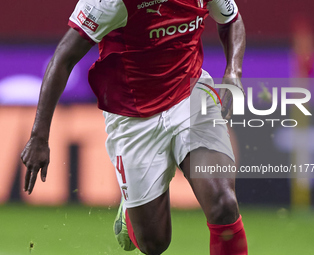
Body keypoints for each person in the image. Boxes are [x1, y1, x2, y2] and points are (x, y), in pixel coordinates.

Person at [21, 0, 247, 254]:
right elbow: (63, 59)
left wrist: (233, 71)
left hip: (190, 94)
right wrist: (39, 136)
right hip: (133, 114)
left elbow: (231, 19)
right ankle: (131, 211)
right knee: (154, 243)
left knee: (223, 204)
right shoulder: (109, 3)